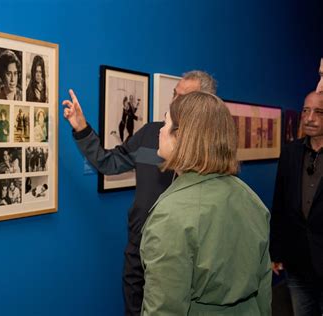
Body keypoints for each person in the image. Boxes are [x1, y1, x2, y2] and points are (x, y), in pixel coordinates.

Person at [62, 70, 217, 316]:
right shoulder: (152, 135)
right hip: (139, 246)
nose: (174, 102)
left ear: (204, 104)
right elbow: (109, 163)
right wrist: (81, 128)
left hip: (181, 254)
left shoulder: (212, 149)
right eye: (174, 94)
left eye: (183, 97)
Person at [140, 91, 271, 315]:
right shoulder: (251, 198)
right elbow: (264, 288)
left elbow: (163, 308)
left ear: (181, 136)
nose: (160, 130)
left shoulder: (171, 214)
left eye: (165, 122)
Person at [270, 91, 323, 316]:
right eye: (305, 110)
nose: (309, 118)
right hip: (297, 262)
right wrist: (276, 251)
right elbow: (279, 204)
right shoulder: (290, 152)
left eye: (319, 112)